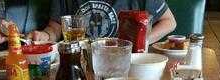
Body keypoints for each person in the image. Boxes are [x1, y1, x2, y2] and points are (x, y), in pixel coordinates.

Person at [29, 0, 177, 44]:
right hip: (82, 64)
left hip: (127, 64)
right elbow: (56, 27)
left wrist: (142, 41)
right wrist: (46, 35)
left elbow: (169, 21)